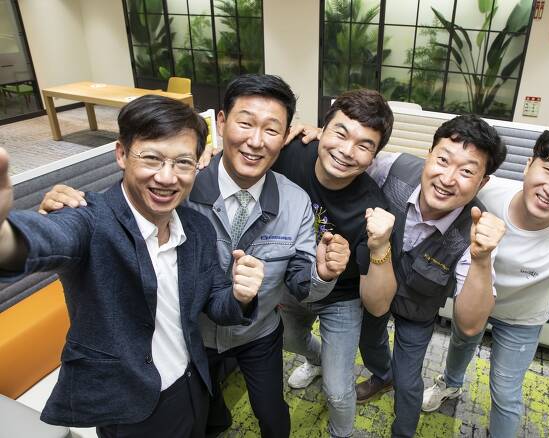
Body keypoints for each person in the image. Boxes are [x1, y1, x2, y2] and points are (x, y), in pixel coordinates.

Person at [37, 74, 351, 438]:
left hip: (258, 331)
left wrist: (323, 273)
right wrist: (65, 208)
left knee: (271, 411)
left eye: (271, 129)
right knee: (207, 414)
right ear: (221, 122)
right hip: (193, 339)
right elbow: (116, 212)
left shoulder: (295, 201)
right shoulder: (178, 186)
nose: (255, 141)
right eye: (245, 123)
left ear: (284, 137)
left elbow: (301, 285)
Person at [0, 95, 262, 437]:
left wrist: (241, 296)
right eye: (151, 158)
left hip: (193, 383)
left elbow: (216, 303)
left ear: (198, 164)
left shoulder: (196, 229)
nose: (167, 177)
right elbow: (45, 238)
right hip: (130, 406)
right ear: (122, 154)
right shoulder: (89, 219)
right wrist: (4, 235)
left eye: (183, 162)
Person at [288, 114, 508, 437]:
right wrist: (318, 136)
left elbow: (471, 326)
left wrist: (481, 258)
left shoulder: (476, 231)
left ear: (482, 182)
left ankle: (402, 430)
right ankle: (382, 375)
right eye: (443, 160)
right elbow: (350, 156)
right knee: (369, 342)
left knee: (408, 381)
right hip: (373, 291)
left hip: (417, 310)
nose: (448, 178)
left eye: (466, 172)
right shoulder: (393, 168)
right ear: (428, 154)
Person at [420, 123, 549, 437]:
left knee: (505, 393)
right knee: (459, 347)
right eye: (548, 169)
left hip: (522, 319)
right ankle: (450, 384)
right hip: (473, 301)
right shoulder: (486, 193)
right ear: (528, 164)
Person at [272, 89, 397, 438]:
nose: (346, 151)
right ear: (321, 129)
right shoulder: (290, 152)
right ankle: (316, 361)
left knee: (338, 391)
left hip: (341, 298)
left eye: (364, 145)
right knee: (288, 340)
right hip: (293, 280)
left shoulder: (372, 207)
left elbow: (379, 303)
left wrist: (380, 245)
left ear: (373, 157)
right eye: (340, 133)